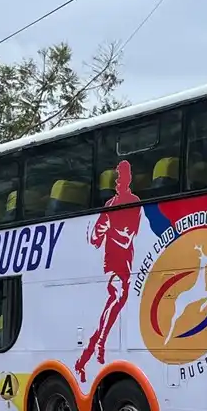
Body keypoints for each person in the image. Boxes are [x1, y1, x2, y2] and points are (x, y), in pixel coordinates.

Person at [76, 160, 142, 382]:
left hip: (126, 262)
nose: (117, 182)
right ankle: (100, 343)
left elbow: (128, 237)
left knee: (117, 299)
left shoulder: (134, 203)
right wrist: (100, 229)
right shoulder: (109, 203)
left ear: (128, 180)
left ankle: (87, 354)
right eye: (115, 178)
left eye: (121, 177)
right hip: (110, 263)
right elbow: (95, 239)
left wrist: (109, 229)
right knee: (118, 295)